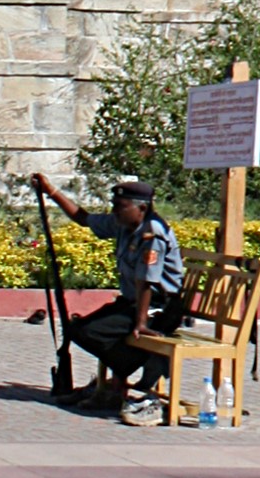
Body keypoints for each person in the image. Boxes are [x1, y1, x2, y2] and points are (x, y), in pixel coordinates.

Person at [30, 171, 188, 423]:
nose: (114, 210)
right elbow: (83, 218)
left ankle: (121, 382)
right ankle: (118, 381)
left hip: (160, 308)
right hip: (134, 302)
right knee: (77, 329)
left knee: (93, 332)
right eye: (114, 205)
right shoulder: (123, 223)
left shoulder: (152, 233)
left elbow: (146, 281)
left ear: (141, 208)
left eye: (120, 206)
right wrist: (51, 191)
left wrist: (140, 324)